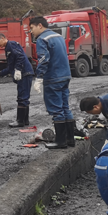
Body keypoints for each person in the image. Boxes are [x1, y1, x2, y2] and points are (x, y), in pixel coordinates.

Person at [29, 17, 74, 149]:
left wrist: (39, 77)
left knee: (56, 109)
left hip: (53, 77)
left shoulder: (42, 39)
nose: (31, 31)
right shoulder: (58, 36)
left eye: (32, 28)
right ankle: (70, 139)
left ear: (40, 25)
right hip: (65, 75)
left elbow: (43, 59)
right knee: (65, 107)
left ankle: (60, 141)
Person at [0, 33, 35, 127]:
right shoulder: (9, 48)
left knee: (22, 97)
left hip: (24, 73)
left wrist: (18, 69)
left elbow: (20, 56)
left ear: (3, 38)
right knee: (24, 97)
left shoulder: (11, 45)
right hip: (25, 73)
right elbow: (10, 67)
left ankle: (20, 121)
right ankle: (25, 120)